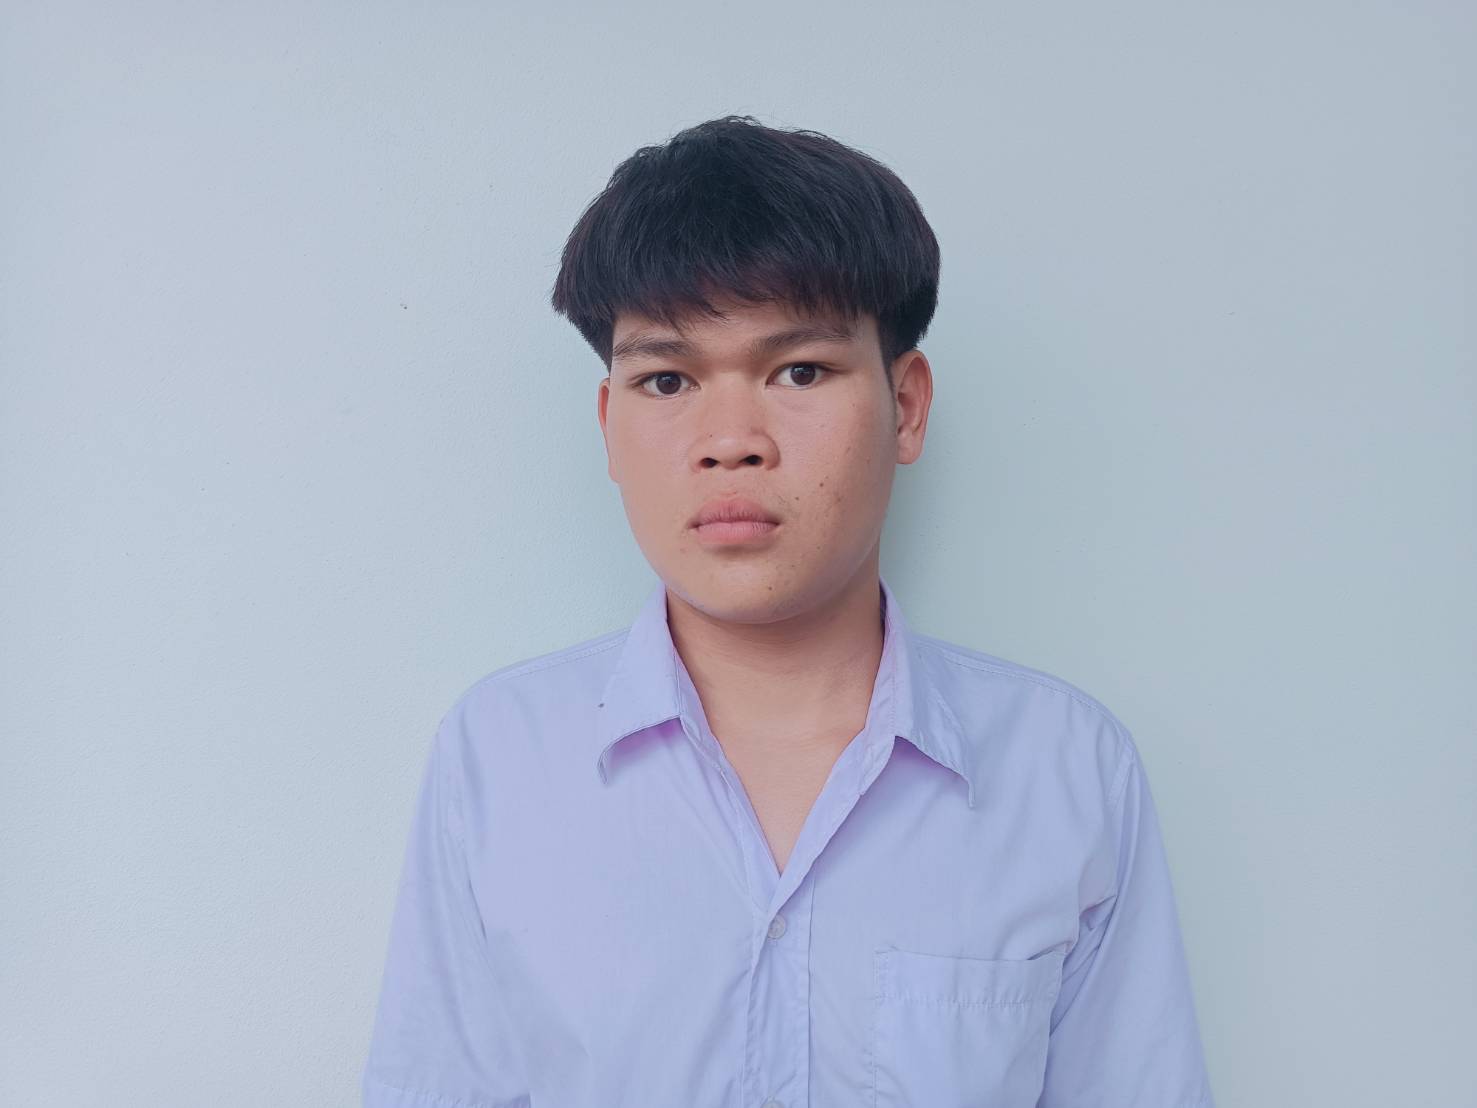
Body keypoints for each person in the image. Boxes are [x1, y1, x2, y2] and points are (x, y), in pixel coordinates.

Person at [360, 114, 1216, 1108]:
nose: (730, 439)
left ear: (905, 406)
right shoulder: (500, 757)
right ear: (608, 423)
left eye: (799, 370)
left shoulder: (1062, 767)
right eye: (666, 379)